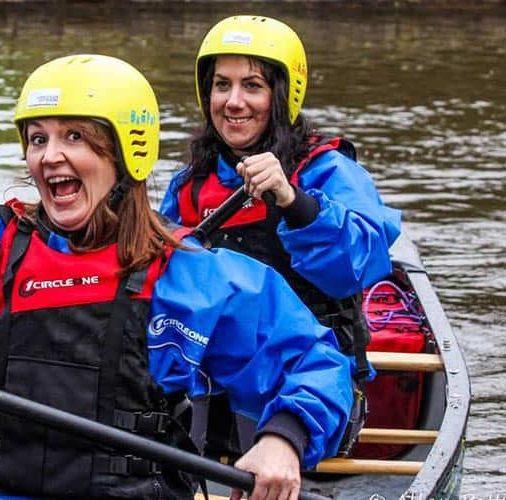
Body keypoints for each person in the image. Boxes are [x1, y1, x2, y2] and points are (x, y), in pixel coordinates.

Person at [0, 54, 354, 500]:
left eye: (74, 137)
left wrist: (283, 439)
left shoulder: (189, 273)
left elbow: (314, 361)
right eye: (38, 138)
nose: (49, 156)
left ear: (128, 151)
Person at [159, 15, 402, 461]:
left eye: (252, 86)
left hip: (314, 386)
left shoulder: (328, 169)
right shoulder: (188, 185)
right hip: (217, 389)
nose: (233, 102)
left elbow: (360, 265)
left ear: (283, 95)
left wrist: (294, 202)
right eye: (221, 85)